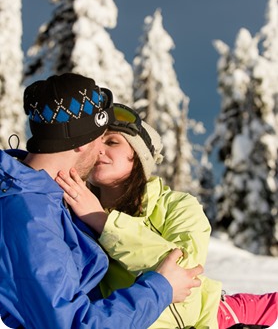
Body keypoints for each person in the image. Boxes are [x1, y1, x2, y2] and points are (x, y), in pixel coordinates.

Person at [0, 74, 203, 329]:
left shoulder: (45, 198)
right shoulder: (30, 215)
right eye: (100, 139)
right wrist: (160, 289)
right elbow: (75, 324)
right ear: (82, 143)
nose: (101, 153)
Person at [57, 103, 278, 329]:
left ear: (139, 157)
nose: (99, 150)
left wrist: (103, 222)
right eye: (94, 143)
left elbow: (183, 270)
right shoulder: (72, 216)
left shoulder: (178, 205)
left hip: (213, 318)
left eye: (112, 141)